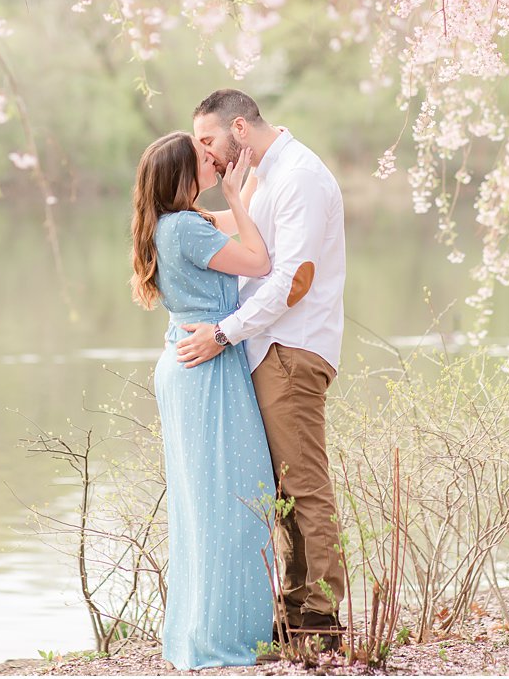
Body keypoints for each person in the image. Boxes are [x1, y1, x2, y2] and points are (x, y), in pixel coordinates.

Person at [177, 89, 348, 652]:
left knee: (303, 486)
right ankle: (294, 612)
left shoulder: (299, 176)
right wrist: (187, 216)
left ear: (240, 130)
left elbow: (292, 280)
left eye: (208, 141)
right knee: (283, 489)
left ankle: (319, 622)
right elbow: (243, 226)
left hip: (290, 350)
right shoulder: (269, 176)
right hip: (268, 348)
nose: (205, 153)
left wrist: (224, 332)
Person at [129, 130, 276, 670]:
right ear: (183, 175)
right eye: (203, 158)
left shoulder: (175, 224)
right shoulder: (188, 229)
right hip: (206, 368)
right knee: (232, 503)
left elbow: (240, 229)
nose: (212, 159)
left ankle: (207, 630)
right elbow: (260, 262)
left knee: (207, 504)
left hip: (187, 364)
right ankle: (226, 640)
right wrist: (236, 195)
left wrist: (250, 183)